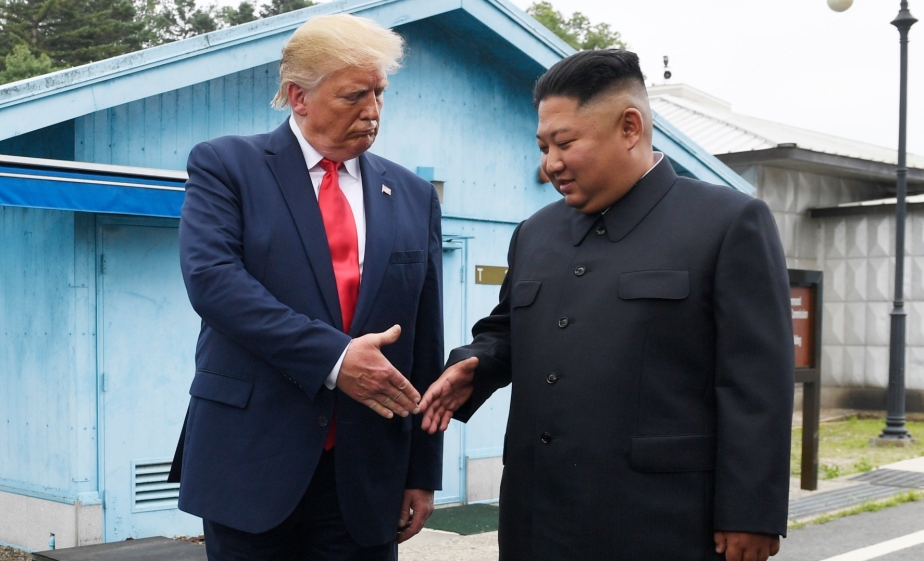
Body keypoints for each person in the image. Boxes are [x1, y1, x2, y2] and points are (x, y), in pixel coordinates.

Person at [419, 49, 794, 561]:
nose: (550, 163)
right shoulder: (536, 232)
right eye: (543, 145)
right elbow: (507, 328)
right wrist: (476, 364)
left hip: (663, 522)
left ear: (630, 127)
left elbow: (756, 381)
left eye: (565, 143)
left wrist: (751, 511)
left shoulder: (727, 222)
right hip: (538, 518)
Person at [170, 14, 444, 561]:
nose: (372, 111)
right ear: (298, 96)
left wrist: (422, 469)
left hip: (366, 474)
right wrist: (338, 358)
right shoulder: (227, 166)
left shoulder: (413, 194)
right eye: (353, 95)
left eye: (380, 93)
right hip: (251, 463)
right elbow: (214, 283)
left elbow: (423, 336)